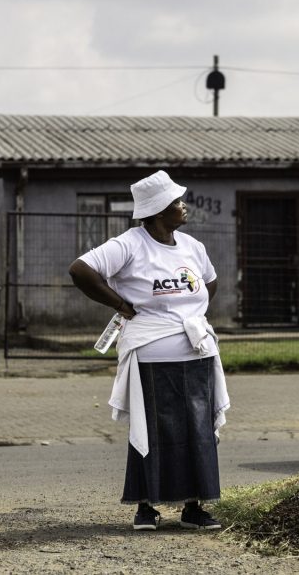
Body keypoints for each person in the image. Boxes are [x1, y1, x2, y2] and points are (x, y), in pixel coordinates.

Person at [68, 170, 229, 532]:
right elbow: (81, 270)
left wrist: (189, 316)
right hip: (152, 359)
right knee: (154, 429)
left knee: (198, 431)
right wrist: (121, 304)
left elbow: (210, 283)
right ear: (158, 210)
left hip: (196, 353)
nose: (184, 206)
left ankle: (194, 507)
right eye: (176, 202)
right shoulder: (130, 244)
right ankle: (145, 508)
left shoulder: (192, 247)